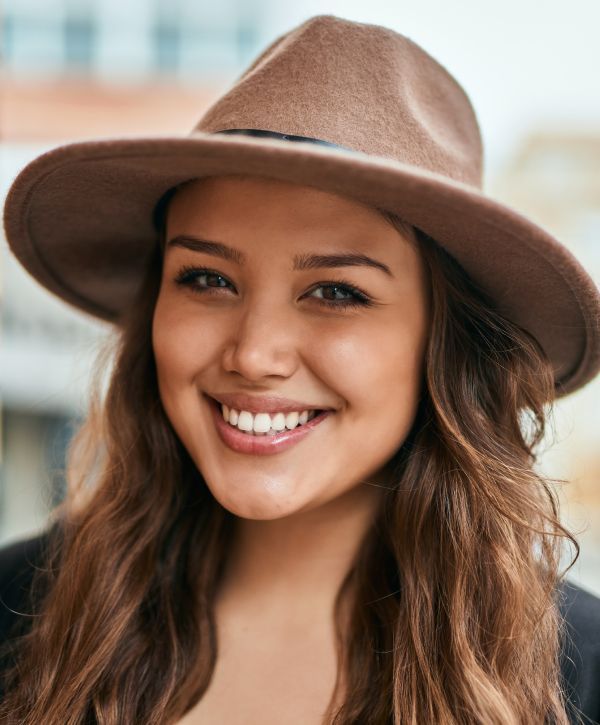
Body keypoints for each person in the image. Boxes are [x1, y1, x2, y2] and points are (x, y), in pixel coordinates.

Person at [1, 13, 599, 725]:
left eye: (337, 292)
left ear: (445, 342)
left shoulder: (577, 673)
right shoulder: (18, 610)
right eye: (206, 279)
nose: (254, 354)